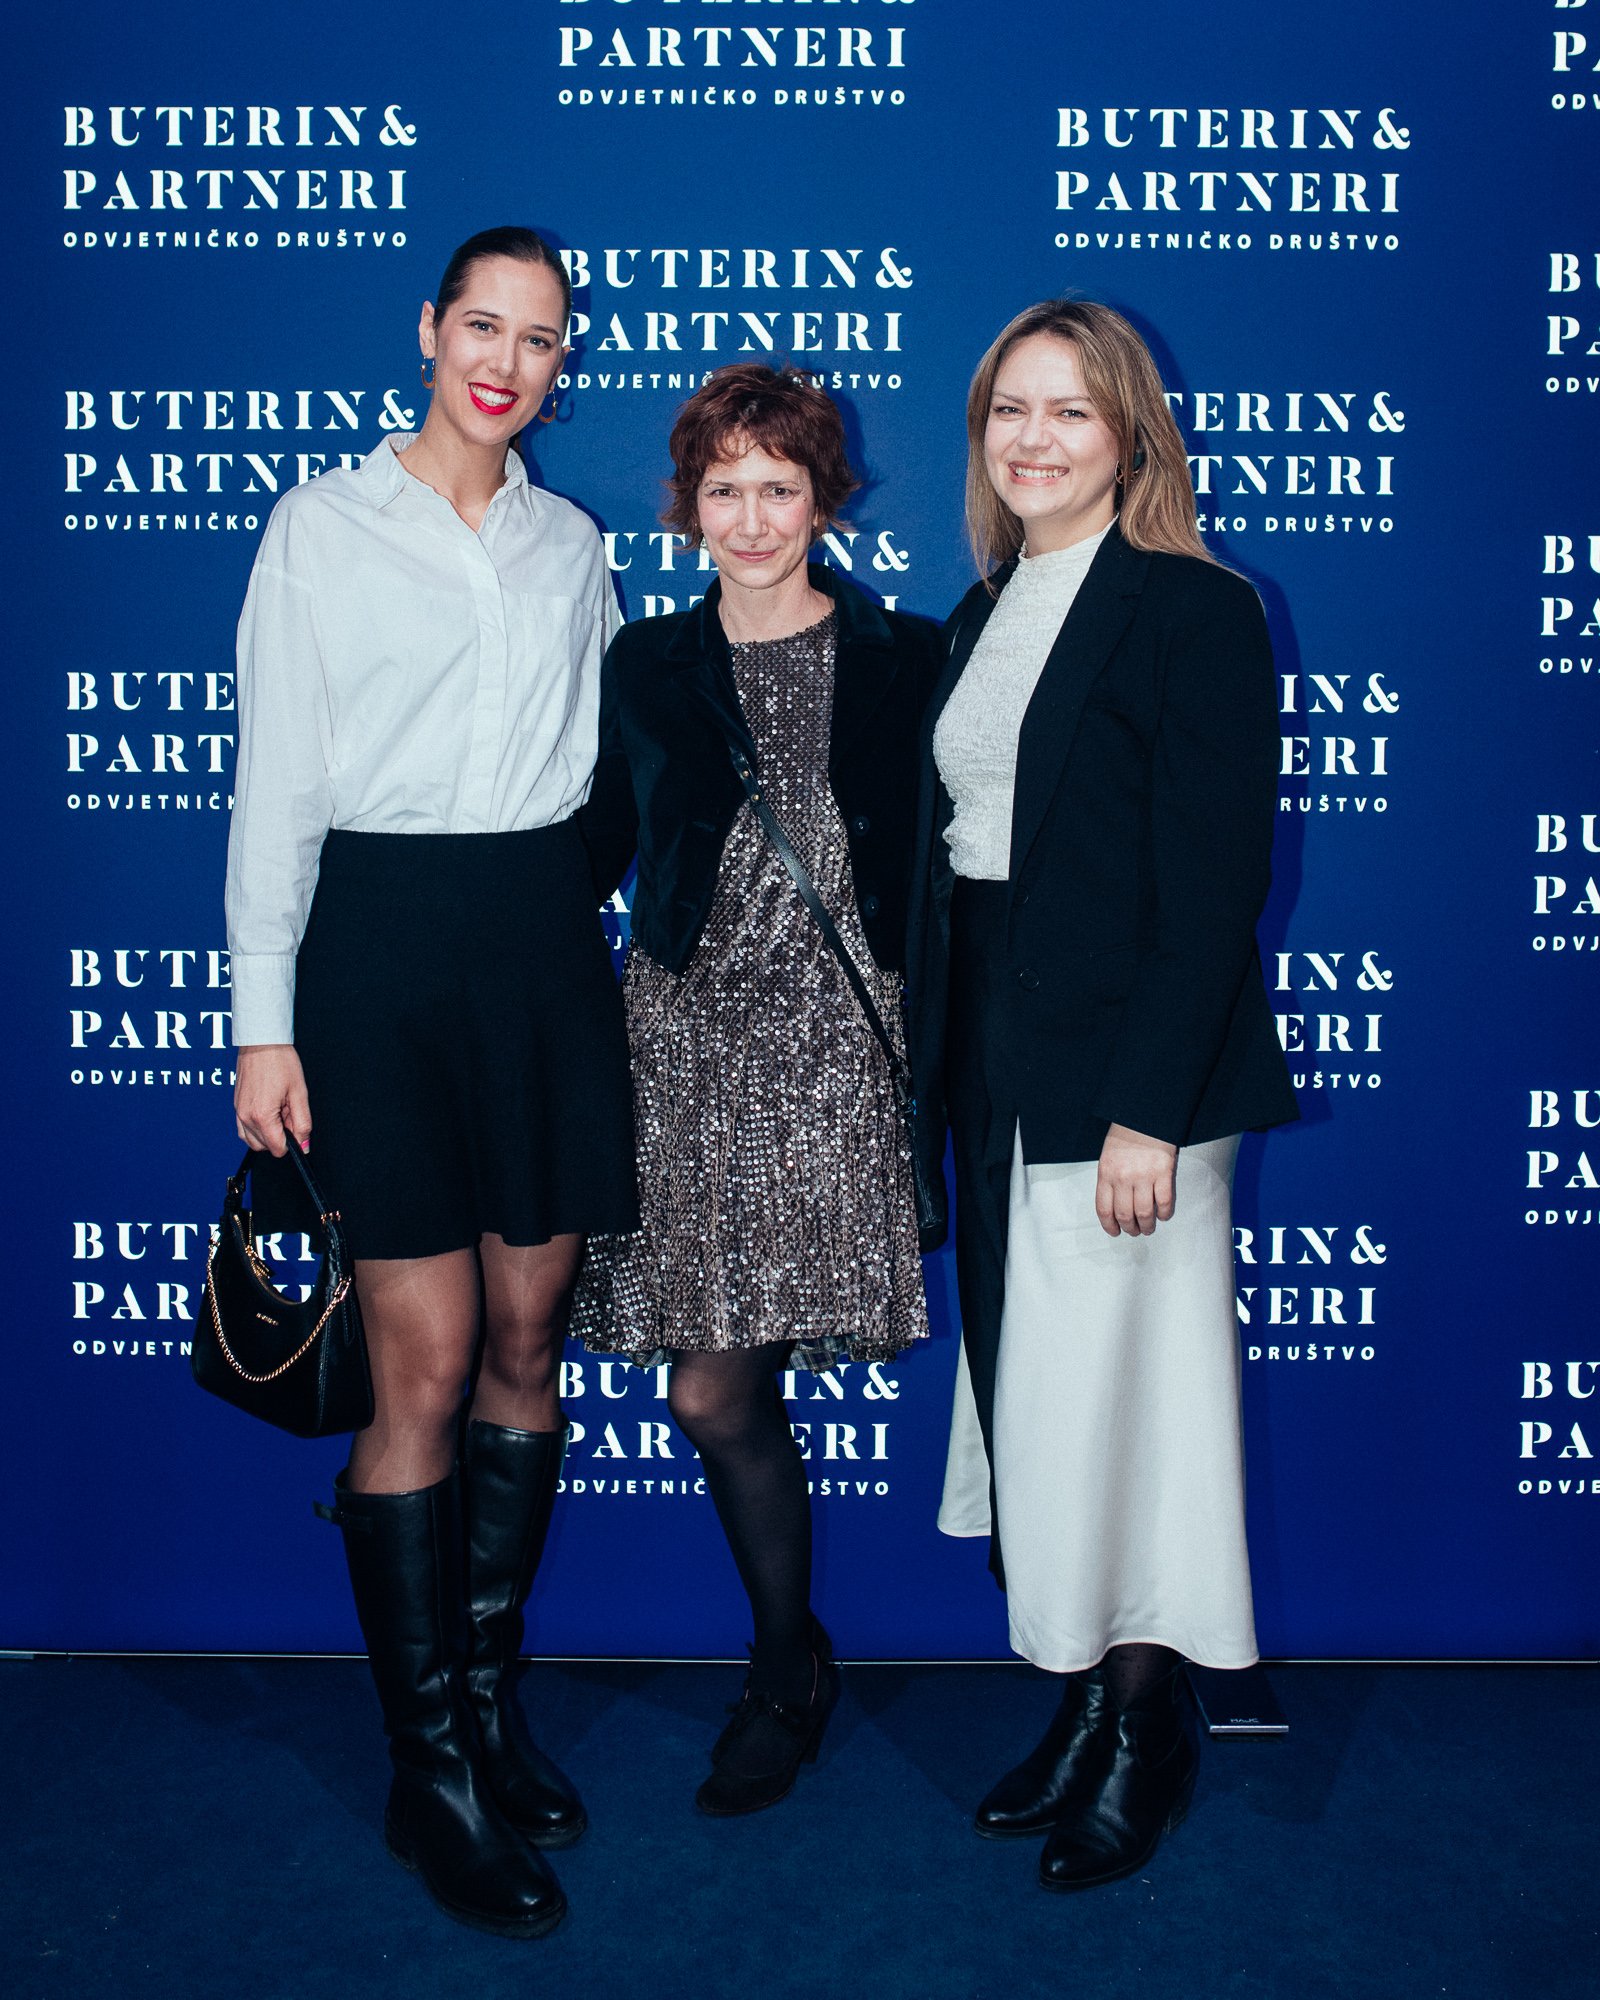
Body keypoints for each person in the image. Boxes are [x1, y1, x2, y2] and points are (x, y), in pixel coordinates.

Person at [226, 226, 636, 1939]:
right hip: (376, 966)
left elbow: (607, 775)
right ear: (430, 329)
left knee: (530, 1345)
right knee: (429, 1368)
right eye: (486, 323)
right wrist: (267, 1018)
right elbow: (276, 787)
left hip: (539, 960)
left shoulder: (576, 545)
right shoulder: (323, 527)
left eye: (543, 338)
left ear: (561, 366)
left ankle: (488, 1703)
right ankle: (430, 1772)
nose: (509, 359)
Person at [908, 300, 1299, 1891]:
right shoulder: (982, 605)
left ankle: (1150, 1728)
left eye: (1073, 411)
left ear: (1132, 431)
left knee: (1136, 1412)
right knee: (1036, 1401)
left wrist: (1151, 1108)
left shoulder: (1193, 609)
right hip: (996, 1068)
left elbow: (1213, 892)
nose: (1037, 438)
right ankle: (1077, 1702)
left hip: (1130, 1080)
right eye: (1013, 408)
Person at [572, 362, 942, 1815]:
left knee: (720, 1381)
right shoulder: (648, 665)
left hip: (843, 1052)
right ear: (687, 506)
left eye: (776, 487)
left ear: (823, 498)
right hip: (684, 1043)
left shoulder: (908, 657)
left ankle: (781, 1670)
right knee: (712, 1392)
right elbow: (596, 841)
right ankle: (792, 1661)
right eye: (721, 488)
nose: (749, 516)